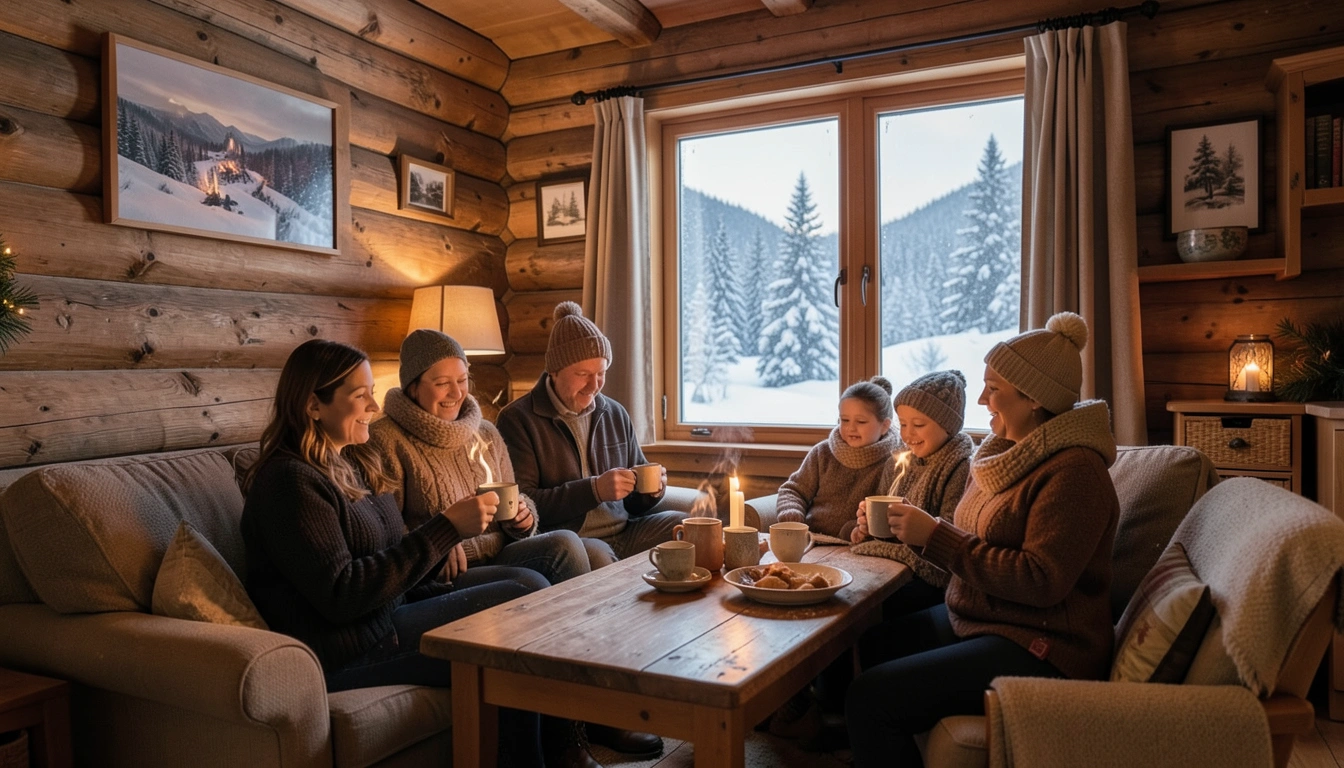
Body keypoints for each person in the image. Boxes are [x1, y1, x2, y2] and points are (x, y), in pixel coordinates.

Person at [239, 339, 591, 767]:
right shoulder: (288, 483)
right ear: (313, 405)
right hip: (351, 649)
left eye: (372, 391)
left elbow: (389, 549)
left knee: (530, 584)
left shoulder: (352, 461)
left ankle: (562, 746)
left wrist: (434, 555)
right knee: (516, 610)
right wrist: (445, 531)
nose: (373, 405)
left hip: (391, 611)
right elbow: (343, 594)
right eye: (360, 395)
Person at [845, 313, 1121, 768]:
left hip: (1043, 644)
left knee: (870, 699)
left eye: (993, 389)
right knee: (873, 642)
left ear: (1032, 398)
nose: (981, 399)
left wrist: (934, 535)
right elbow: (972, 536)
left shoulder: (1074, 473)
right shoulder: (1005, 456)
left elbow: (1040, 580)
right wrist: (907, 530)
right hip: (985, 613)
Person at [496, 301, 677, 760]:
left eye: (602, 373)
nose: (595, 385)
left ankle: (680, 684)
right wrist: (591, 489)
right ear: (556, 370)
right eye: (584, 374)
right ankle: (601, 718)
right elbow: (526, 506)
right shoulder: (518, 421)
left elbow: (634, 494)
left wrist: (650, 494)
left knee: (686, 529)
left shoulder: (613, 412)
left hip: (625, 529)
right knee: (593, 557)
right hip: (570, 538)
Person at [364, 329, 591, 586]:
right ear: (412, 388)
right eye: (442, 383)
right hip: (443, 571)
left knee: (566, 543)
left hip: (498, 550)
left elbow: (513, 495)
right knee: (529, 583)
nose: (457, 393)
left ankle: (584, 626)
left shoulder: (485, 432)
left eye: (462, 380)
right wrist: (435, 543)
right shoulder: (385, 440)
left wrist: (523, 517)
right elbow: (383, 531)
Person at [852, 369, 974, 616]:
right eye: (903, 424)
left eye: (918, 425)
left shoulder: (961, 468)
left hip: (931, 585)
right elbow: (884, 532)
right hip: (890, 569)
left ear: (948, 426)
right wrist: (866, 528)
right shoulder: (897, 462)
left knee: (865, 607)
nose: (907, 435)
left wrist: (881, 545)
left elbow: (948, 554)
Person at [775, 376, 902, 541]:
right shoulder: (822, 453)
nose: (851, 428)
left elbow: (885, 516)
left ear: (884, 425)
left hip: (857, 547)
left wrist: (858, 529)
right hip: (809, 540)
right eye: (844, 420)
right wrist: (791, 512)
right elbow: (793, 490)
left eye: (861, 421)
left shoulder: (894, 462)